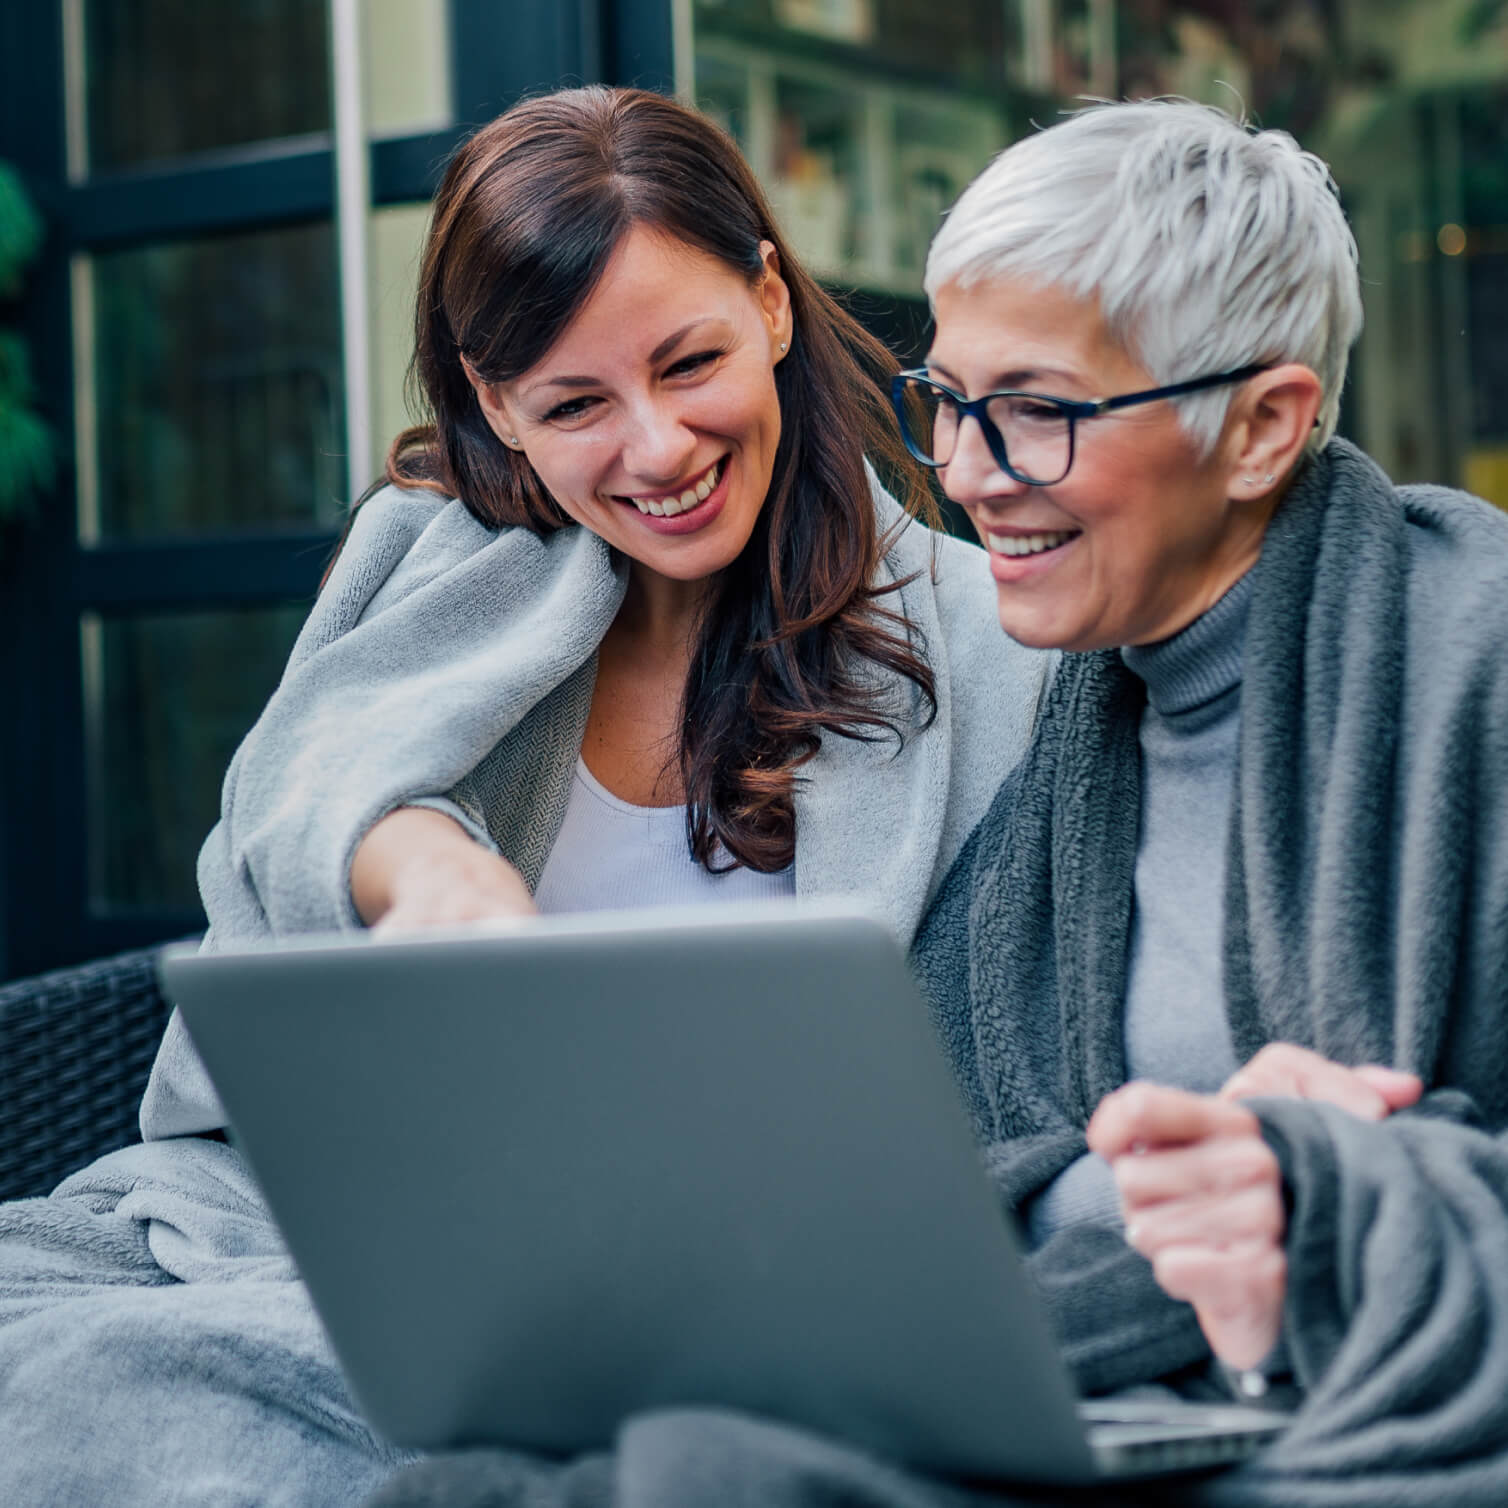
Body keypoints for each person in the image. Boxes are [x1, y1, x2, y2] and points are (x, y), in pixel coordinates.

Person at [0, 86, 1045, 1507]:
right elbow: (295, 805)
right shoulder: (425, 567)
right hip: (387, 1248)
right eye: (574, 404)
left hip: (765, 1290)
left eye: (690, 363)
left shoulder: (980, 636)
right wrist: (426, 862)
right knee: (64, 1367)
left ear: (774, 305)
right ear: (496, 403)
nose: (659, 448)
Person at [904, 98, 1508, 1504]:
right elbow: (944, 1160)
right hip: (1118, 1424)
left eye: (1039, 412)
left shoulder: (1478, 675)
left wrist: (1353, 1200)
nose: (970, 474)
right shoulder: (1063, 734)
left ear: (1260, 430)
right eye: (947, 399)